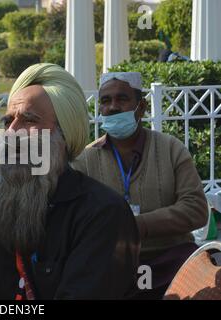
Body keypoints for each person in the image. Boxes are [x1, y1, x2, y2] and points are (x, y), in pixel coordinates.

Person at [0, 63, 140, 300]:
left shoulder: (103, 214)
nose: (12, 133)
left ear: (63, 135)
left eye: (29, 120)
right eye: (8, 121)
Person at [72, 72, 208, 299]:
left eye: (122, 99)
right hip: (110, 266)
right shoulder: (84, 161)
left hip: (171, 261)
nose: (113, 107)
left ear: (141, 107)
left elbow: (196, 209)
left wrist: (137, 226)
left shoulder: (170, 149)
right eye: (105, 101)